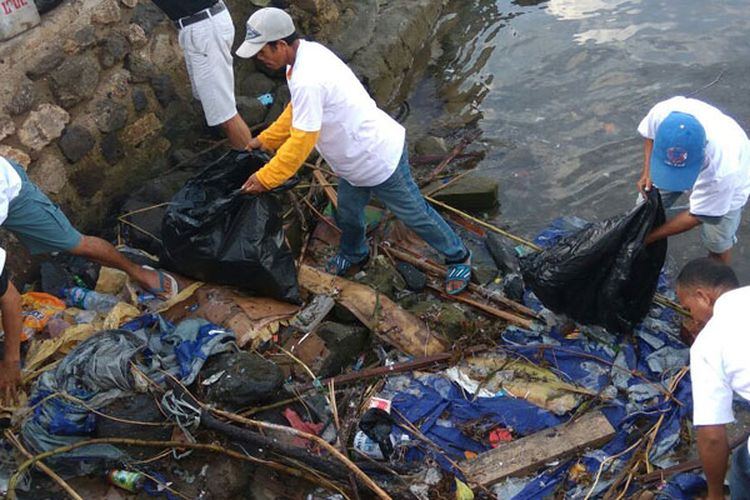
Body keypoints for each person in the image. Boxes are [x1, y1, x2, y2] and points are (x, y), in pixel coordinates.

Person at [234, 7, 472, 294]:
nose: (260, 59)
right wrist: (268, 139)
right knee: (347, 212)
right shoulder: (305, 56)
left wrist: (265, 178)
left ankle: (458, 256)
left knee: (415, 215)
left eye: (262, 52)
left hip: (379, 159)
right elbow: (297, 109)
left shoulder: (308, 78)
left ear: (281, 44)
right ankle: (354, 252)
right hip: (351, 163)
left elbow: (301, 143)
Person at [0, 155, 179, 402]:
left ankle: (136, 271)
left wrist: (11, 361)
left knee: (73, 243)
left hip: (11, 189)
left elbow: (10, 297)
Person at [637, 96, 750, 263]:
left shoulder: (725, 170)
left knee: (717, 242)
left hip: (733, 176)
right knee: (644, 208)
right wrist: (647, 172)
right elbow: (650, 136)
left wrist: (648, 238)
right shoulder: (662, 113)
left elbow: (699, 215)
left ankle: (716, 281)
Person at [675, 257, 750, 499]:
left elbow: (713, 437)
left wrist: (715, 493)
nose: (693, 319)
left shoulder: (709, 343)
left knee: (740, 470)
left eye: (688, 309)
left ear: (703, 296)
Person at [150, 0, 253, 151]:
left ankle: (256, 167)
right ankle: (245, 156)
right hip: (201, 25)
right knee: (217, 107)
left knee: (225, 115)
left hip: (204, 28)